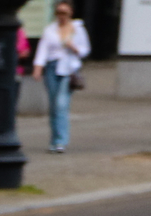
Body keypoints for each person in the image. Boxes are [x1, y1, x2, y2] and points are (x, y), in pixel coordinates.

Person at [32, 2, 88, 152]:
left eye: (65, 13)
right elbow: (43, 49)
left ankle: (60, 141)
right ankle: (53, 140)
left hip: (68, 69)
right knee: (53, 106)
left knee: (61, 104)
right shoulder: (50, 29)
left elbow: (85, 50)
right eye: (59, 13)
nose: (61, 16)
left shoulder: (78, 29)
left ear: (70, 14)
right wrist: (38, 68)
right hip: (51, 68)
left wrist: (74, 47)